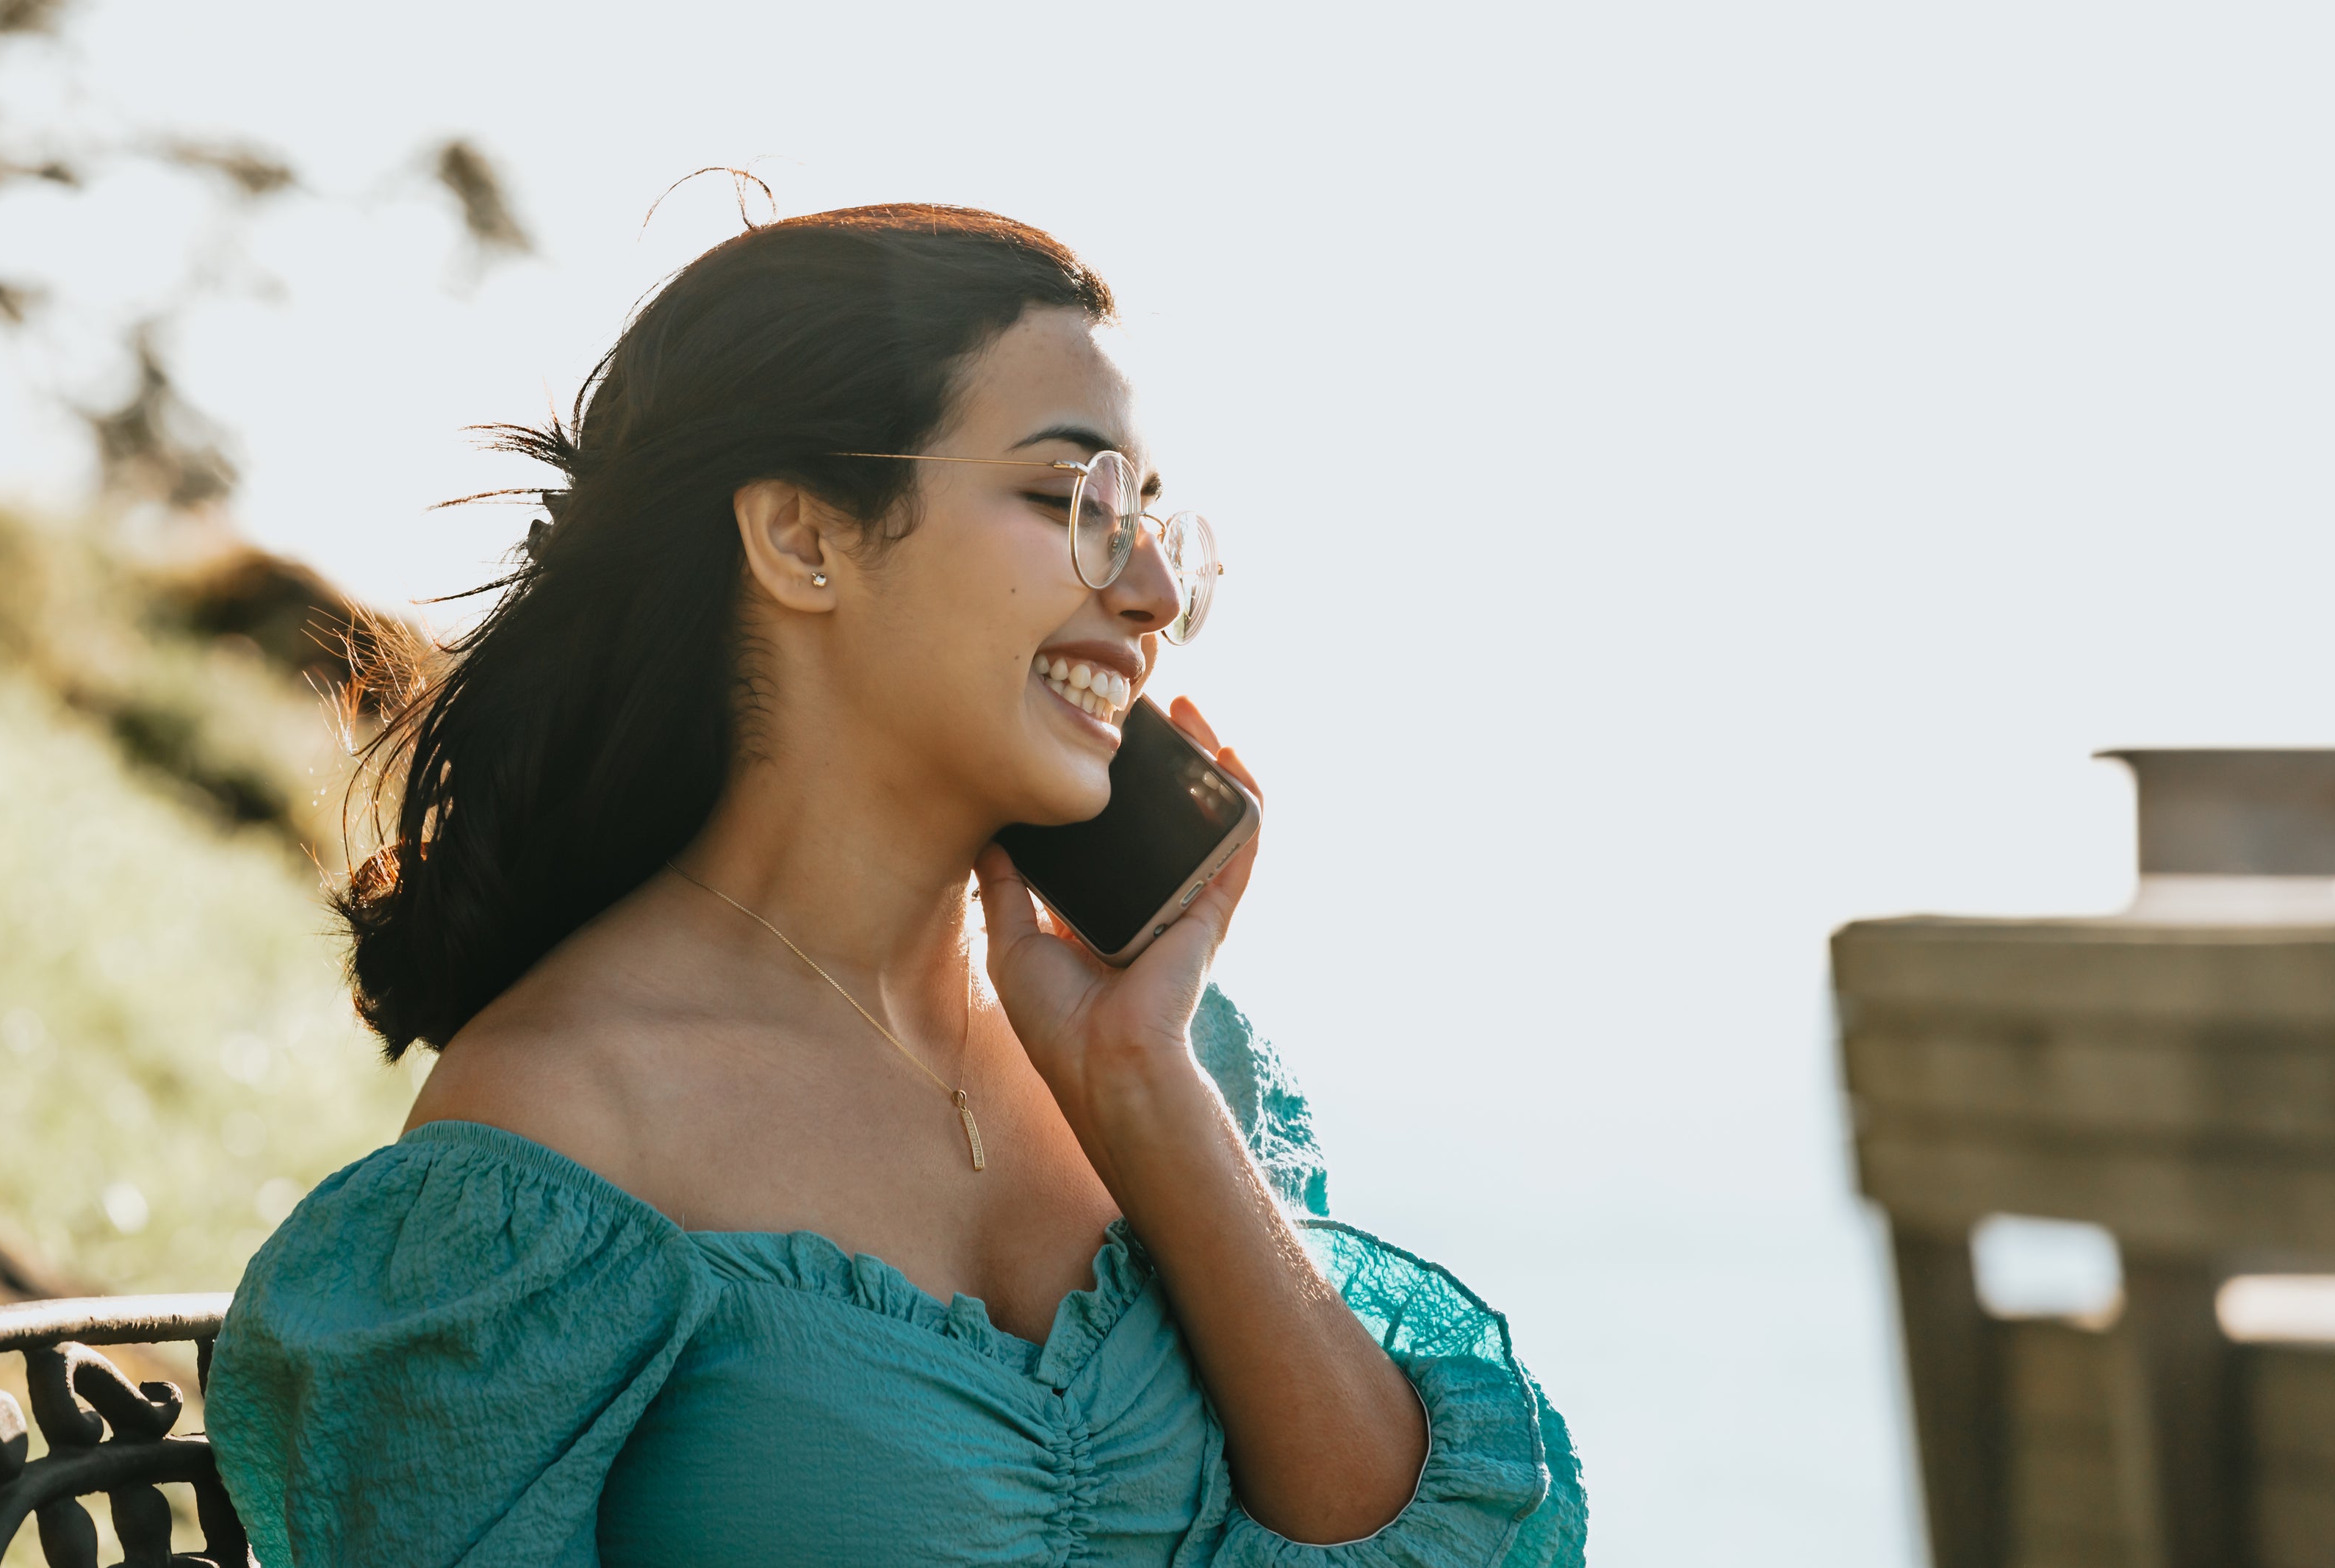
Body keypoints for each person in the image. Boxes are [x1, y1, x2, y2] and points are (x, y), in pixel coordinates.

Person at [204, 203, 1587, 1567]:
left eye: (1157, 522)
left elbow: (1431, 1546)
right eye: (1073, 502)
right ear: (802, 538)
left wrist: (1142, 1082)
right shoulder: (562, 1134)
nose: (1155, 586)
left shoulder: (1157, 1050)